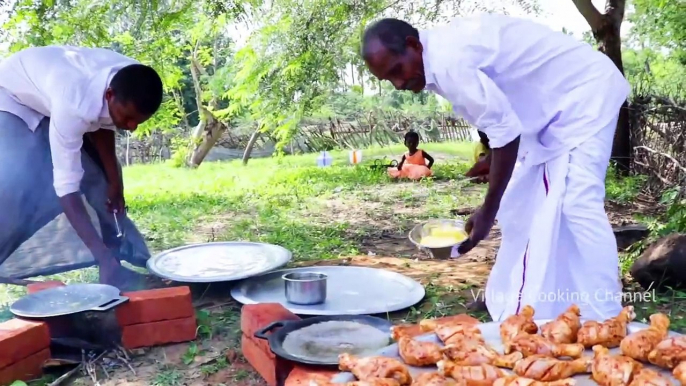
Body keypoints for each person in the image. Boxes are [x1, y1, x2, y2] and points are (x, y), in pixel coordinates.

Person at [361, 15, 629, 321]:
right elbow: (502, 120)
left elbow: (505, 133)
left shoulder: (450, 61)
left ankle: (608, 316)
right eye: (389, 80)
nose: (399, 83)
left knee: (579, 204)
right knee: (521, 206)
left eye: (397, 70)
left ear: (412, 45)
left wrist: (487, 211)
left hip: (585, 95)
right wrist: (493, 164)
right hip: (552, 115)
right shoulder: (436, 56)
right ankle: (525, 300)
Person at [0, 46, 164, 289]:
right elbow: (66, 190)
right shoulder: (73, 103)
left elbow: (103, 126)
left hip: (58, 94)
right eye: (128, 118)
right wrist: (101, 257)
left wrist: (115, 185)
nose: (131, 128)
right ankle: (107, 263)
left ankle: (118, 262)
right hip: (12, 97)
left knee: (101, 178)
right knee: (25, 182)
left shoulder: (132, 78)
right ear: (109, 95)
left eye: (138, 121)